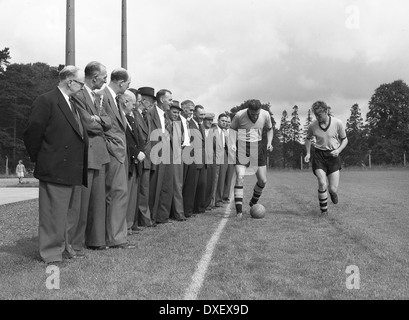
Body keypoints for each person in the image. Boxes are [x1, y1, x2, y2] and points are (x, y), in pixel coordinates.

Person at [23, 65, 88, 264]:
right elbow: (32, 133)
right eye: (81, 83)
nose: (83, 88)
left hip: (73, 167)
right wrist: (42, 158)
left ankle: (65, 248)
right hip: (54, 166)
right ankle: (51, 253)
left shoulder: (73, 103)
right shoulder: (46, 100)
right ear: (70, 81)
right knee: (53, 214)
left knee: (69, 213)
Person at [69, 61, 112, 253]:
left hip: (99, 154)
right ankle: (76, 244)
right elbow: (87, 124)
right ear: (94, 77)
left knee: (97, 201)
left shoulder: (96, 97)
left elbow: (108, 121)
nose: (105, 80)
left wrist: (99, 120)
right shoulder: (78, 95)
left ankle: (95, 240)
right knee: (82, 202)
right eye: (104, 77)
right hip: (87, 153)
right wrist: (98, 121)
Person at [99, 68, 135, 249]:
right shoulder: (102, 96)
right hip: (113, 152)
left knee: (118, 194)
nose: (129, 87)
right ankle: (115, 238)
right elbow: (99, 124)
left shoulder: (112, 98)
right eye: (129, 83)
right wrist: (110, 146)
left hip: (119, 153)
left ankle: (115, 235)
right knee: (116, 194)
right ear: (121, 83)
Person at [230, 99, 273, 218]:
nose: (255, 116)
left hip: (257, 147)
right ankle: (239, 212)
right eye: (252, 113)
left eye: (257, 113)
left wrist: (269, 142)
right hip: (243, 146)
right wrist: (233, 143)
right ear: (248, 109)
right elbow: (232, 129)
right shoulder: (239, 115)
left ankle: (253, 203)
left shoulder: (265, 114)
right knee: (240, 176)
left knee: (263, 180)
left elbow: (270, 129)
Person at [304, 101, 348, 215]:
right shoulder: (312, 126)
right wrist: (308, 153)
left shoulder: (337, 123)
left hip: (333, 157)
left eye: (320, 115)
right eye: (316, 115)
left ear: (326, 111)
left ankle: (333, 193)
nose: (317, 117)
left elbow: (345, 139)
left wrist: (338, 151)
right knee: (322, 183)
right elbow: (308, 138)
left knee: (332, 189)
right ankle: (324, 212)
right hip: (319, 156)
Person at [146, 89, 174, 225]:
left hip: (166, 153)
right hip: (155, 153)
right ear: (162, 100)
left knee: (166, 184)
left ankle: (162, 217)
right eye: (170, 100)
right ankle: (151, 216)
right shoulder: (150, 113)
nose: (171, 103)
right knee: (154, 185)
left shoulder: (166, 116)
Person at [120, 90, 145, 234]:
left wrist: (140, 151)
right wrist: (136, 153)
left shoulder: (131, 118)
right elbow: (123, 139)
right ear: (125, 102)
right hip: (128, 160)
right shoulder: (121, 118)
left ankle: (128, 224)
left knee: (132, 195)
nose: (135, 107)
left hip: (135, 162)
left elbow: (138, 139)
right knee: (125, 195)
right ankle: (123, 225)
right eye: (133, 104)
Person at [130, 87, 154, 228]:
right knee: (137, 190)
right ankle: (135, 221)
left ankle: (142, 220)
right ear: (143, 101)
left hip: (146, 158)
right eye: (150, 103)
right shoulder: (134, 114)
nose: (150, 106)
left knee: (144, 190)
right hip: (138, 156)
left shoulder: (147, 116)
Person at [223, 116, 235, 203]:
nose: (227, 123)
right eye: (226, 121)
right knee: (221, 177)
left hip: (231, 158)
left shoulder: (234, 133)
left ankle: (225, 196)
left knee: (228, 178)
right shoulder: (219, 131)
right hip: (222, 157)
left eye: (229, 122)